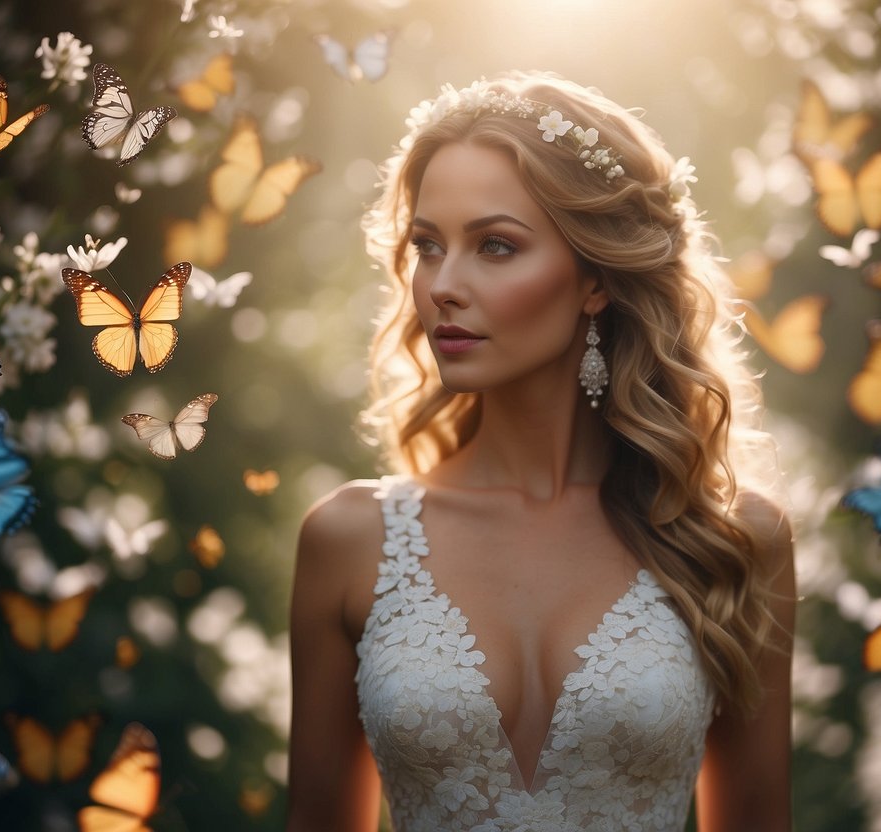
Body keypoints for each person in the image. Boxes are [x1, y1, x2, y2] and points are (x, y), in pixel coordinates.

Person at [289, 71, 795, 832]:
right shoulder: (350, 540)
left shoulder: (728, 540)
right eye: (428, 247)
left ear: (594, 279)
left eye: (495, 246)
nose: (443, 287)